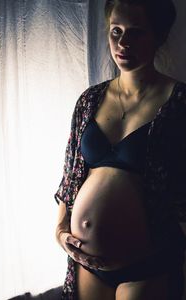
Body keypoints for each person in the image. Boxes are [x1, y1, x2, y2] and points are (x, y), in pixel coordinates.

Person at [55, 0, 186, 299]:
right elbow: (70, 177)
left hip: (146, 264)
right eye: (116, 31)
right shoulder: (90, 100)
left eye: (136, 32)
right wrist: (60, 230)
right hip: (87, 266)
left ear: (159, 36)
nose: (123, 43)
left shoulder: (179, 103)